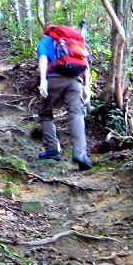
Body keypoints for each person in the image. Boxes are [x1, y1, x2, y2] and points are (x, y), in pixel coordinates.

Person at [36, 24, 93, 171]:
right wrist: (87, 86)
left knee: (46, 113)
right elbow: (85, 63)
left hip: (54, 78)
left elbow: (43, 59)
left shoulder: (45, 41)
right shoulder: (74, 42)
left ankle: (52, 150)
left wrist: (43, 80)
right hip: (76, 80)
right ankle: (80, 153)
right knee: (77, 114)